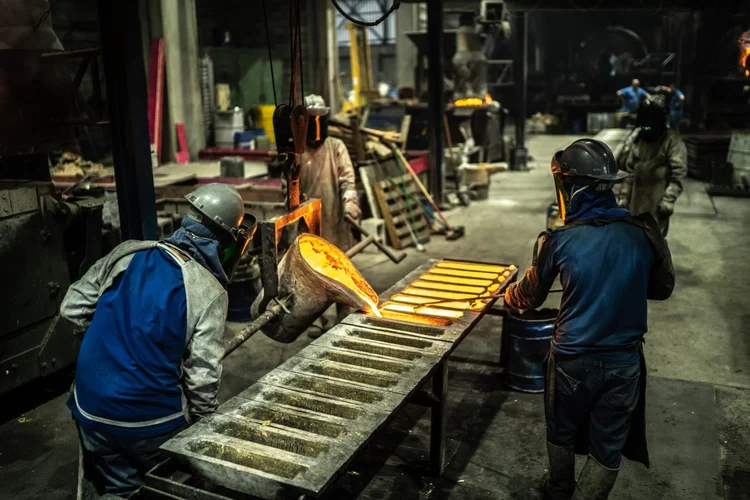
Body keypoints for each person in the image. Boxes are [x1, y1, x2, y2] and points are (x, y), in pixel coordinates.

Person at [504, 139, 675, 500]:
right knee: (608, 442)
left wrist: (508, 294)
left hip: (572, 360)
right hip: (623, 362)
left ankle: (559, 489)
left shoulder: (560, 239)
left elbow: (530, 295)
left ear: (573, 186)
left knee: (561, 429)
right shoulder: (643, 232)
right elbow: (661, 289)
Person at [60, 184, 257, 498]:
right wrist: (205, 429)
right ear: (223, 240)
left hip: (88, 407)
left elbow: (71, 309)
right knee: (166, 485)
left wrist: (110, 345)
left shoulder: (127, 252)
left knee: (119, 485)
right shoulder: (209, 291)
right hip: (146, 421)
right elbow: (201, 378)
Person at [300, 94, 362, 336]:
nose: (315, 126)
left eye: (319, 120)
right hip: (307, 223)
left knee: (340, 267)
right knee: (312, 271)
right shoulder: (297, 151)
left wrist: (349, 204)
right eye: (310, 120)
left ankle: (344, 314)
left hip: (335, 218)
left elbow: (348, 180)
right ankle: (316, 318)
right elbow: (289, 186)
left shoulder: (336, 146)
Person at [617, 95, 687, 236]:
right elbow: (630, 171)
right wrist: (624, 196)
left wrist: (668, 199)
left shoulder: (671, 141)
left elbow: (678, 173)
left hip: (657, 203)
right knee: (634, 239)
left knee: (654, 243)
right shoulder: (640, 139)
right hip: (636, 203)